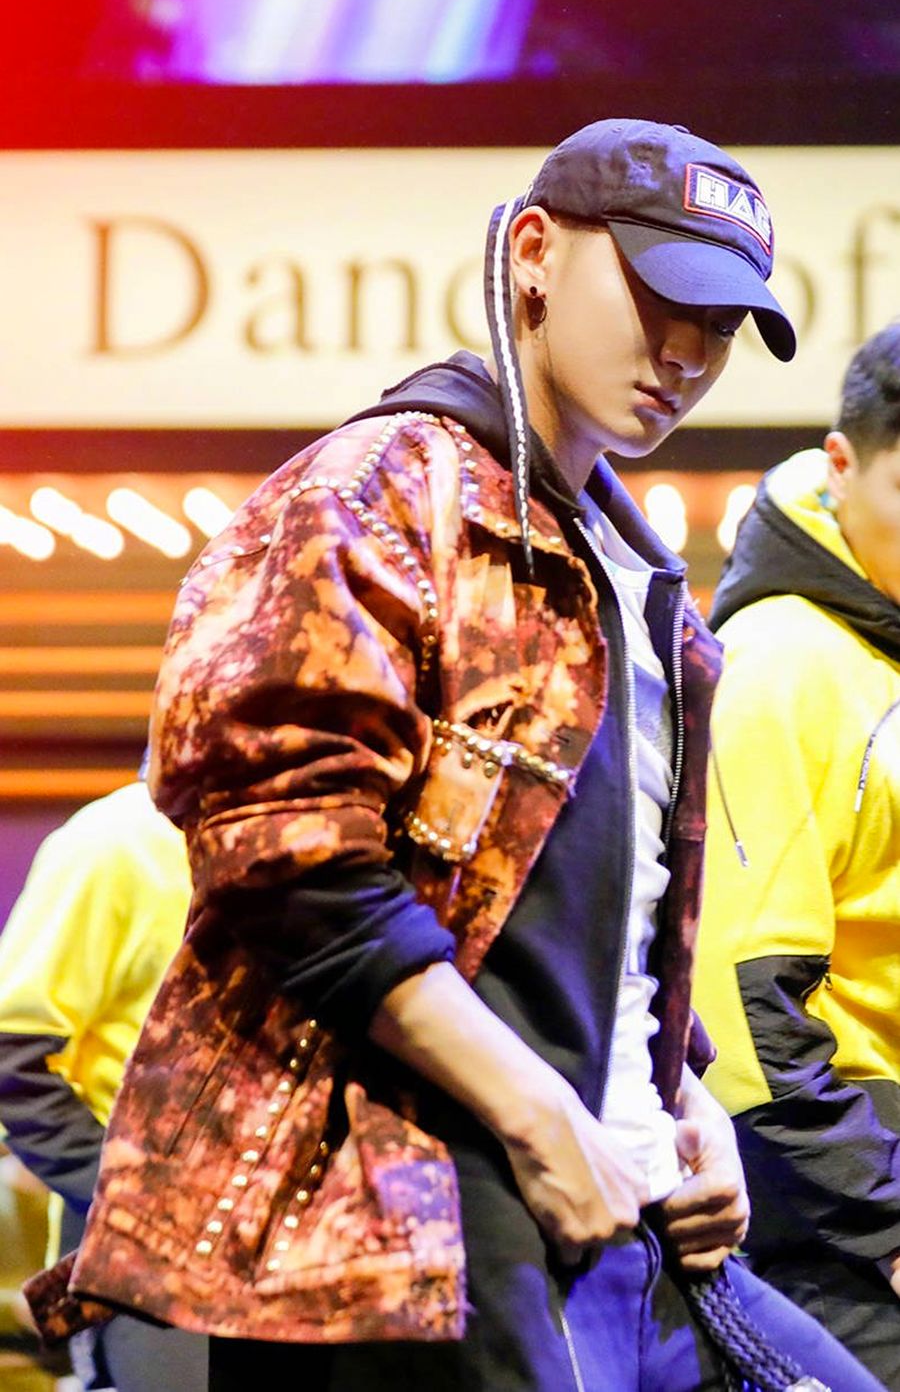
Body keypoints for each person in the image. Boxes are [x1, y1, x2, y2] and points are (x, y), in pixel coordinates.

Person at [26, 119, 882, 1392]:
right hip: (419, 1224)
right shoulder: (373, 490)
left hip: (622, 1208)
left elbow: (593, 908)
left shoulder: (634, 574)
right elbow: (289, 861)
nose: (688, 353)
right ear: (534, 252)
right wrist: (540, 1117)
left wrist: (678, 1097)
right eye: (663, 296)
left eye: (722, 326)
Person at [692, 321, 900, 1387]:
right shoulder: (781, 662)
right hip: (840, 1216)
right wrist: (886, 1221)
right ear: (841, 464)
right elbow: (743, 1012)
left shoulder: (877, 649)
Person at [0, 779, 208, 1391]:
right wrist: (130, 1197)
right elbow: (11, 1049)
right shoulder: (119, 839)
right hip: (149, 1255)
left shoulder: (323, 842)